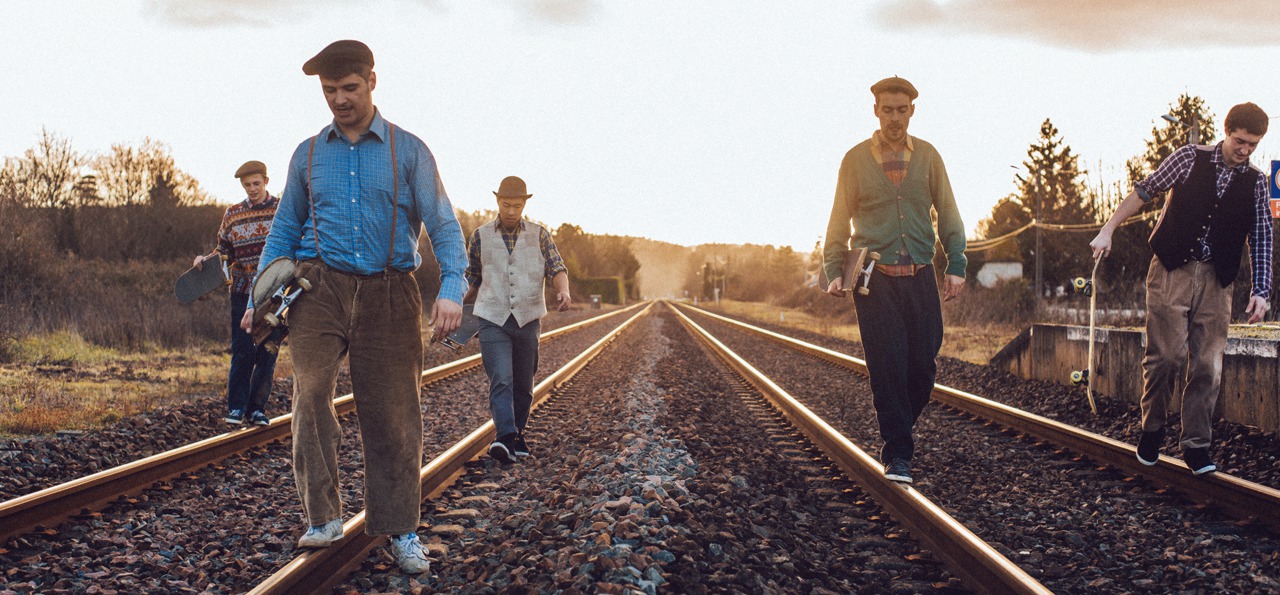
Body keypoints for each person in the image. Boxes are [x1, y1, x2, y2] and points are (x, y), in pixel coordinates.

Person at [244, 40, 466, 574]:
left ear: (371, 81)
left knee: (392, 413)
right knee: (311, 395)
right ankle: (323, 515)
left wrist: (453, 288)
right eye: (329, 91)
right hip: (317, 288)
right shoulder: (308, 153)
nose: (339, 100)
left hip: (390, 290)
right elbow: (283, 232)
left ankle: (401, 529)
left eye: (348, 88)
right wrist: (259, 298)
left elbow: (442, 222)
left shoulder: (408, 150)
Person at [1089, 102, 1272, 476]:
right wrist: (1108, 230)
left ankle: (1196, 445)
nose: (1245, 150)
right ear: (1227, 131)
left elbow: (1263, 236)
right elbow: (1145, 190)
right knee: (1167, 357)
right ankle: (1153, 430)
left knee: (1208, 364)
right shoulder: (1190, 158)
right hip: (1172, 269)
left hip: (1217, 279)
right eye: (1240, 141)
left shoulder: (1256, 182)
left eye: (1253, 145)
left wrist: (1262, 290)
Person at [822, 76, 967, 485]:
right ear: (876, 111)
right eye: (888, 110)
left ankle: (898, 427)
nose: (895, 118)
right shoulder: (854, 160)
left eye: (902, 110)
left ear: (912, 111)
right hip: (874, 279)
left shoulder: (928, 157)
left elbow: (950, 213)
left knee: (922, 367)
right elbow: (837, 220)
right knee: (886, 367)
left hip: (921, 273)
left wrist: (956, 263)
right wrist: (834, 271)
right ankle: (898, 454)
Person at [461, 176, 570, 464]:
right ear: (497, 202)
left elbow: (557, 267)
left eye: (517, 206)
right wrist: (452, 308)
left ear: (524, 205)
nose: (511, 211)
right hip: (492, 318)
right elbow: (472, 278)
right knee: (501, 378)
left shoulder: (540, 234)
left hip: (528, 319)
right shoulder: (480, 236)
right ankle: (505, 437)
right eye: (507, 204)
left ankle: (516, 433)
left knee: (523, 383)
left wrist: (564, 291)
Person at [193, 161, 280, 427]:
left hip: (273, 295)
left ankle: (256, 410)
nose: (252, 189)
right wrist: (204, 260)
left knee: (267, 350)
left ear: (266, 181)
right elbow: (223, 251)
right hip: (242, 292)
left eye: (256, 183)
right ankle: (236, 408)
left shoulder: (281, 210)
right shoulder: (232, 214)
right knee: (242, 351)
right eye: (247, 185)